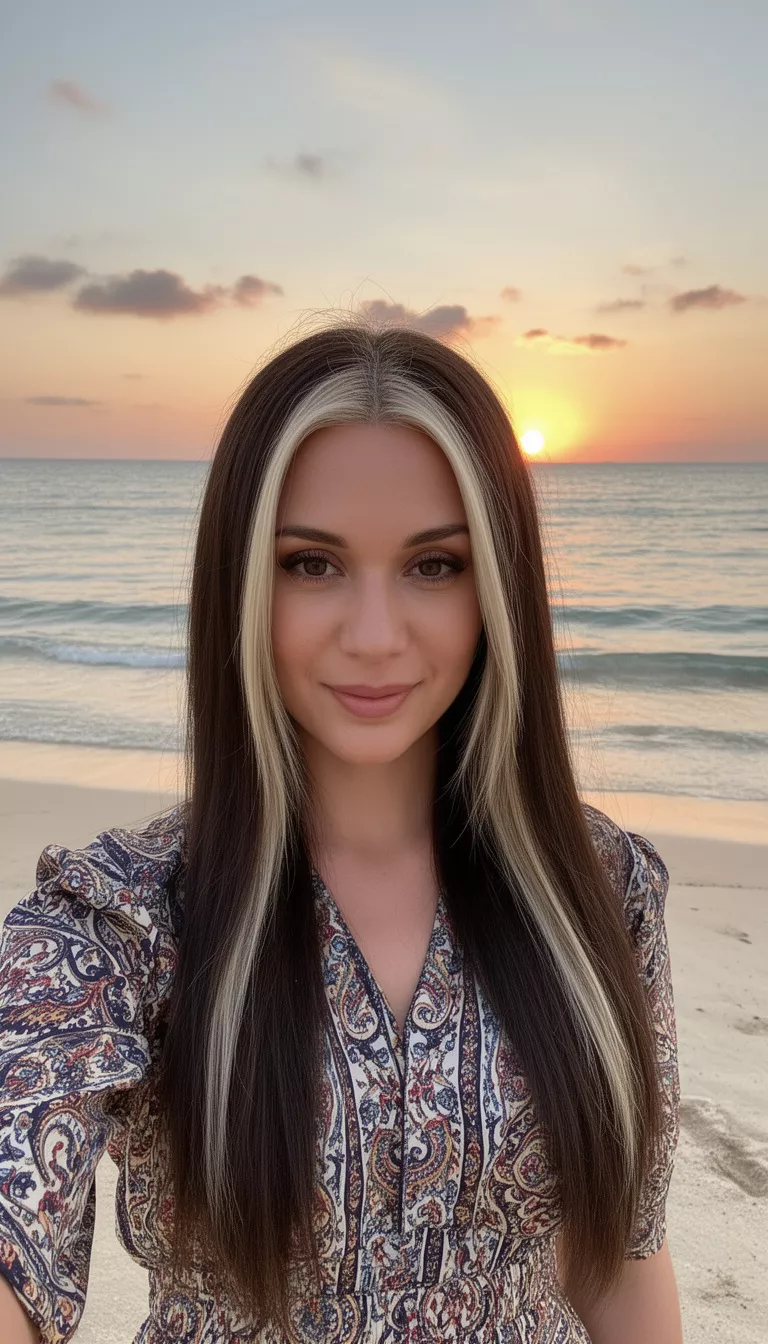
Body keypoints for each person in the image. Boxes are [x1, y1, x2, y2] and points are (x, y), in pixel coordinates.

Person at [0, 317, 682, 1343]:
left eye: (434, 566)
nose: (373, 635)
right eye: (312, 565)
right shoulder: (120, 922)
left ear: (497, 587)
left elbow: (621, 1259)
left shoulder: (599, 890)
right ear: (241, 583)